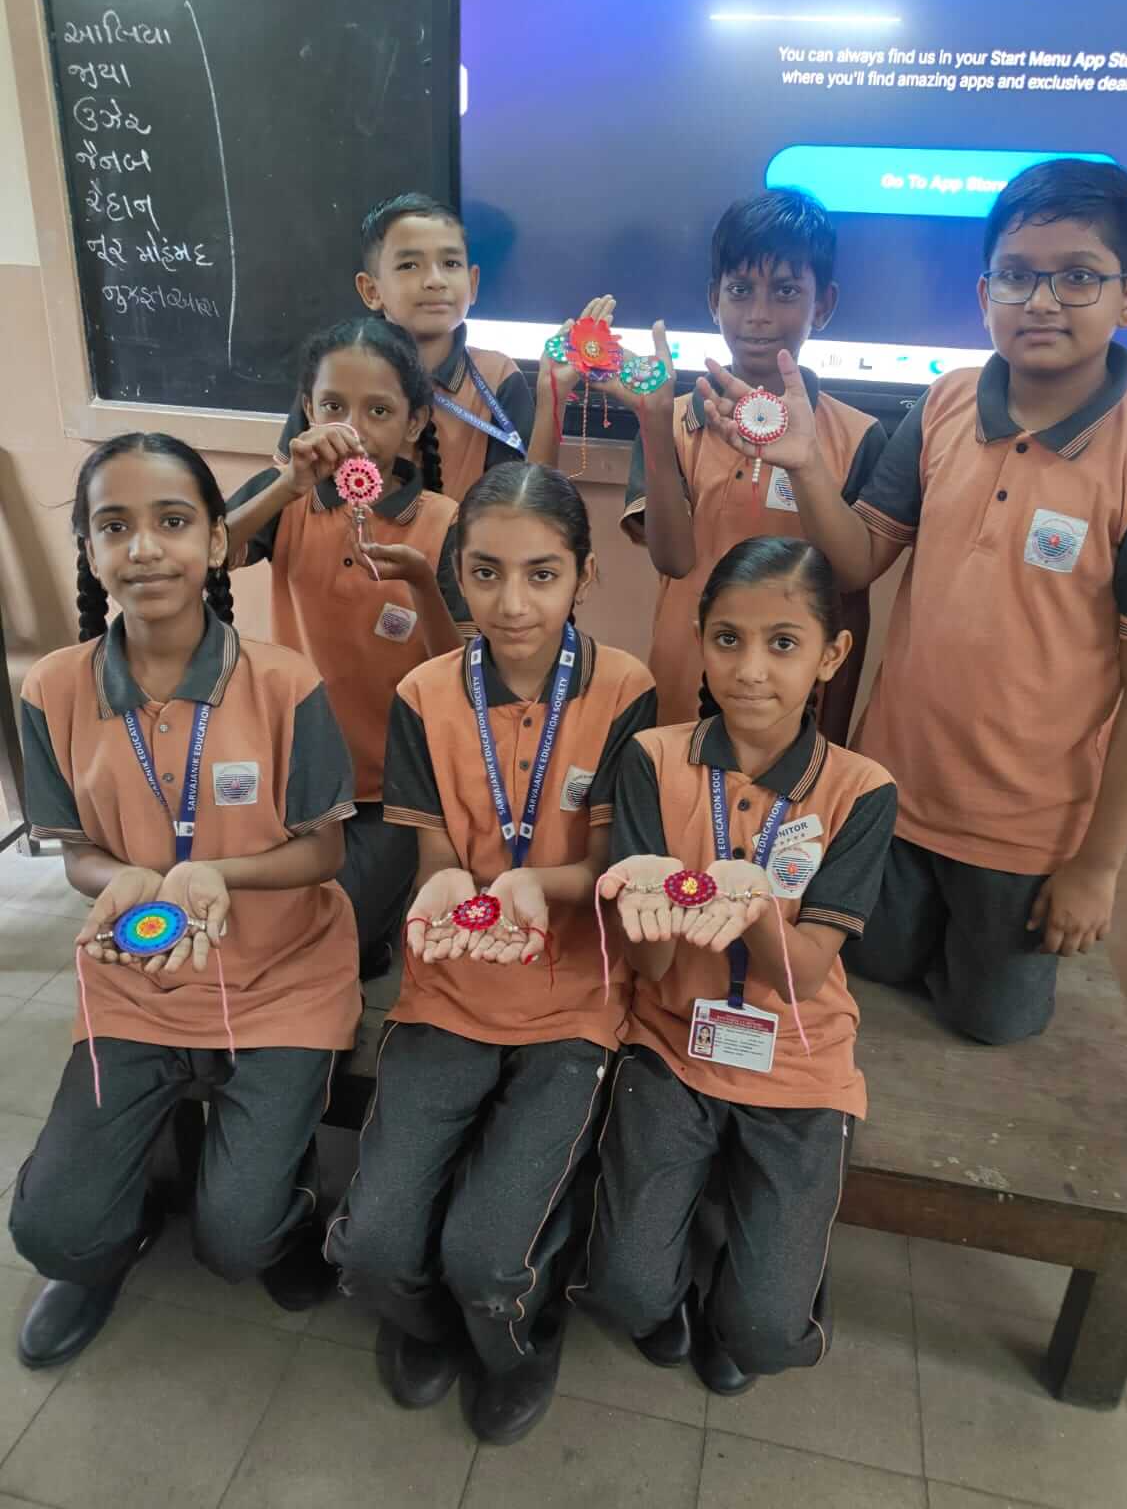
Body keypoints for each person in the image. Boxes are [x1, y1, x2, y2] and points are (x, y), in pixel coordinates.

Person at [700, 160, 1127, 1045]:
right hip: (891, 791)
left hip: (1025, 830)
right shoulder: (944, 405)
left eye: (1077, 276)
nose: (1041, 301)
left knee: (988, 1024)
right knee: (870, 973)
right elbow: (856, 563)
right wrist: (807, 464)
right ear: (983, 293)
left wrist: (1097, 867)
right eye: (1016, 275)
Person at [10, 433, 360, 1370]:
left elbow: (325, 848)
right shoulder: (52, 688)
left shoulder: (284, 681)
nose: (143, 548)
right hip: (137, 979)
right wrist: (122, 879)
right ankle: (113, 1230)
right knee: (54, 1229)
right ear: (89, 549)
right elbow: (78, 854)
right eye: (113, 526)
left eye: (171, 521)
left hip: (280, 978)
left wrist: (219, 876)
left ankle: (279, 1210)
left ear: (215, 542)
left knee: (239, 1240)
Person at [324, 462, 656, 1445]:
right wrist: (444, 890)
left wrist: (535, 885)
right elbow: (437, 858)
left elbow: (613, 863)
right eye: (485, 572)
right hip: (451, 983)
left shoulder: (626, 688)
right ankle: (427, 1322)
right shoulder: (424, 693)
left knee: (486, 1256)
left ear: (584, 575)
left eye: (542, 574)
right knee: (372, 1247)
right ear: (456, 574)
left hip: (574, 993)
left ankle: (514, 1340)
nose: (512, 603)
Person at [572, 537, 896, 1394]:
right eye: (728, 639)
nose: (751, 670)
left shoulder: (862, 790)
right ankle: (676, 1283)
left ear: (832, 654)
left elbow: (808, 976)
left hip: (796, 1057)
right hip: (672, 1044)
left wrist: (756, 908)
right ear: (700, 642)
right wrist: (643, 906)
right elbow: (648, 963)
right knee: (626, 1292)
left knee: (762, 1333)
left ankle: (756, 1300)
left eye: (783, 643)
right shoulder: (651, 760)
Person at [225, 318, 469, 979]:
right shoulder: (288, 500)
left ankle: (372, 931)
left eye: (379, 411)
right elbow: (206, 555)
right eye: (334, 406)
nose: (352, 430)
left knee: (336, 946)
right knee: (260, 933)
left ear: (416, 421)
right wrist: (288, 484)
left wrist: (422, 584)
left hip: (393, 785)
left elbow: (462, 671)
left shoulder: (444, 523)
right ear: (308, 411)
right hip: (292, 773)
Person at [617, 190, 888, 739]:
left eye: (786, 291)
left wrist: (833, 735)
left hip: (794, 716)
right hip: (679, 702)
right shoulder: (670, 418)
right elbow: (672, 560)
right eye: (740, 290)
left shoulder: (858, 436)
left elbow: (850, 592)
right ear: (714, 299)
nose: (759, 315)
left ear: (824, 304)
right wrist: (654, 424)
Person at [274, 193, 543, 502]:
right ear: (371, 290)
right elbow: (286, 492)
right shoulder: (333, 371)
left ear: (473, 284)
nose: (435, 280)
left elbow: (521, 503)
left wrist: (552, 398)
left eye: (451, 263)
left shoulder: (498, 377)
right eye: (409, 265)